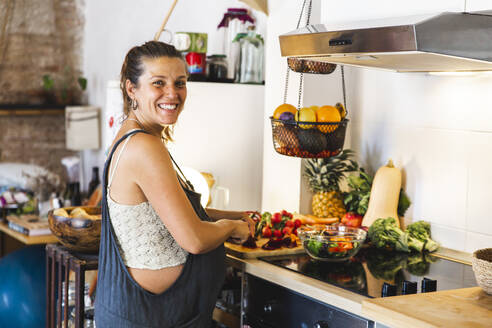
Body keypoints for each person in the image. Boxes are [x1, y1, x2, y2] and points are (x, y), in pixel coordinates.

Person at [95, 41, 255, 328]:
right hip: (152, 317)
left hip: (155, 314)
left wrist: (235, 216)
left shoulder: (136, 136)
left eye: (180, 83)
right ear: (132, 89)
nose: (172, 93)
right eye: (159, 83)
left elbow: (166, 213)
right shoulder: (143, 146)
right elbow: (194, 239)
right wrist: (231, 228)